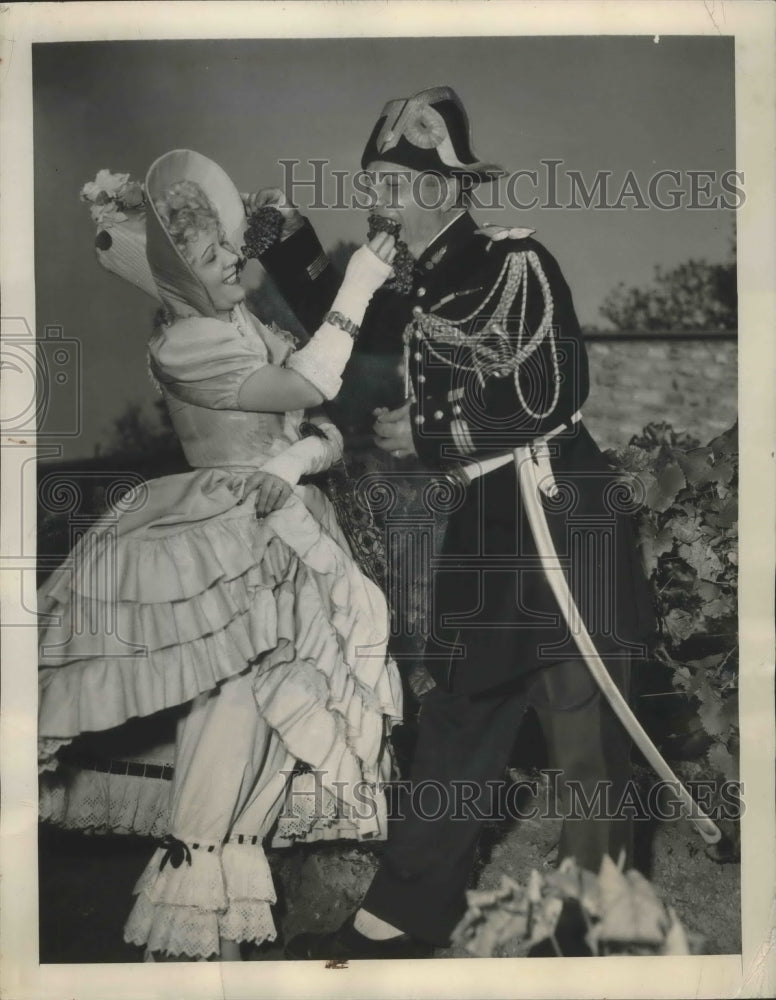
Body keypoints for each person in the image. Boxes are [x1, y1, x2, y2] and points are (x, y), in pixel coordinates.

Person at [257, 86, 657, 959]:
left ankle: (594, 926)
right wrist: (284, 245)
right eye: (374, 180)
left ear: (450, 186)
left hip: (560, 511)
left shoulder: (517, 261)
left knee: (579, 724)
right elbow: (362, 328)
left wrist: (432, 431)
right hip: (488, 519)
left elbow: (558, 387)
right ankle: (399, 918)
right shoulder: (423, 283)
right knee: (458, 719)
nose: (380, 196)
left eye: (398, 179)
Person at [37, 149, 403, 961]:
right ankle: (190, 930)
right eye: (211, 259)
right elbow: (309, 386)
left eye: (227, 248)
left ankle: (231, 935)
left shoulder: (238, 322)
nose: (232, 262)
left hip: (288, 529)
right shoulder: (187, 343)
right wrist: (360, 282)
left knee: (276, 710)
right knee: (228, 704)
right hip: (225, 533)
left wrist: (310, 455)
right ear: (179, 282)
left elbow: (312, 423)